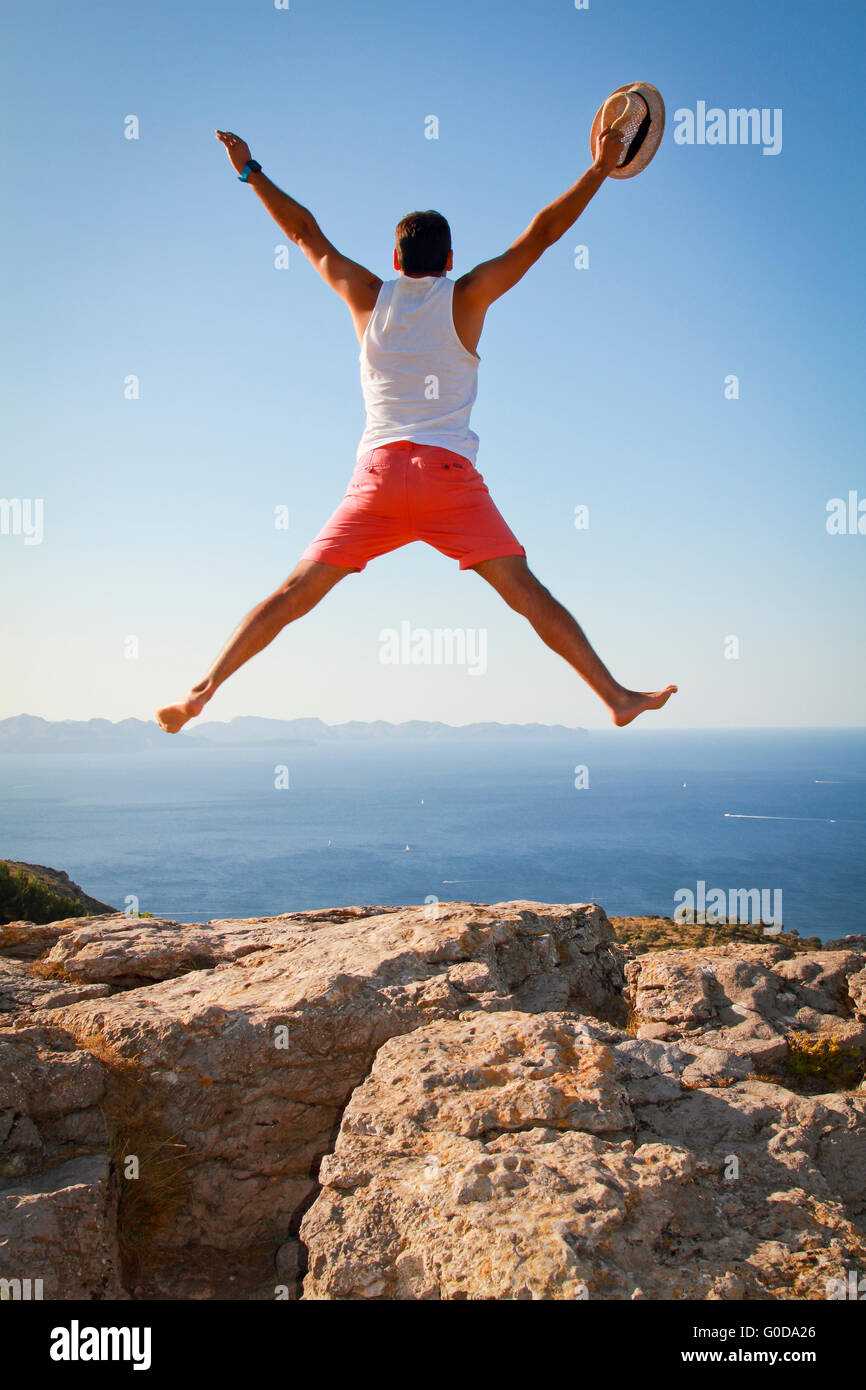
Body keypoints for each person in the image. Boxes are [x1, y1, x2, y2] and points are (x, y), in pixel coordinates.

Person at [156, 125, 676, 734]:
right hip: (447, 479)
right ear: (450, 262)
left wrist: (250, 171)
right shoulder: (469, 296)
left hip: (377, 479)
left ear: (397, 260)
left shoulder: (368, 296)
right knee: (527, 595)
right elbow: (542, 235)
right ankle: (614, 697)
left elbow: (304, 233)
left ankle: (202, 691)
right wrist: (598, 170)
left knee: (294, 592)